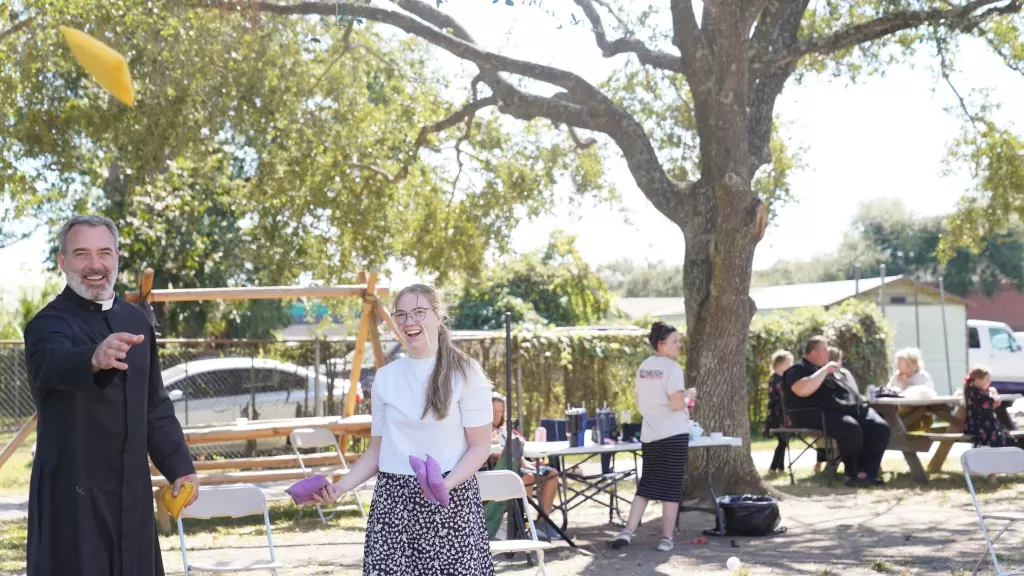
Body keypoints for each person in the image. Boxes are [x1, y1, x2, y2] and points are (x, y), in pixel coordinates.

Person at [23, 215, 198, 576]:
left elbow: (154, 404)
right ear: (63, 262)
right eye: (82, 254)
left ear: (117, 257)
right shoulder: (47, 324)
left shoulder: (136, 322)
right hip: (72, 496)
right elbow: (50, 362)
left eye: (104, 253)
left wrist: (179, 466)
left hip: (131, 491)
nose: (95, 265)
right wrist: (91, 357)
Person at [311, 284, 494, 575]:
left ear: (438, 315)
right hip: (392, 503)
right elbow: (377, 452)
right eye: (402, 314)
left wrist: (443, 486)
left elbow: (480, 447)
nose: (410, 321)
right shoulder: (385, 378)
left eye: (419, 312)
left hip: (449, 500)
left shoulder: (466, 372)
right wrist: (340, 488)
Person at [609, 322, 695, 552]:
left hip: (650, 433)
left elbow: (638, 401)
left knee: (646, 485)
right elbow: (677, 403)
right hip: (673, 432)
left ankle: (628, 531)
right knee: (671, 487)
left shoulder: (644, 367)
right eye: (675, 341)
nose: (679, 345)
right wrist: (688, 396)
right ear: (661, 344)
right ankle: (666, 538)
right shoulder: (673, 369)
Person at [783, 336, 890, 487]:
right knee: (851, 428)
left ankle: (867, 473)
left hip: (846, 409)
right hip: (814, 413)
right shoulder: (797, 370)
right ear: (813, 352)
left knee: (879, 427)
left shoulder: (827, 370)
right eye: (825, 349)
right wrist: (825, 370)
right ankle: (853, 474)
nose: (828, 353)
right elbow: (802, 390)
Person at [489, 392, 561, 539]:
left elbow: (518, 450)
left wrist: (530, 463)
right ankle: (521, 524)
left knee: (552, 474)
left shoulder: (507, 430)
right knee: (527, 477)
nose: (496, 415)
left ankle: (542, 524)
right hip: (501, 472)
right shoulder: (482, 431)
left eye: (500, 411)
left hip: (519, 466)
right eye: (493, 411)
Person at [764, 350, 793, 474]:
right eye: (788, 363)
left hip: (781, 415)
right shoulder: (776, 379)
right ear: (780, 364)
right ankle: (773, 467)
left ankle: (780, 467)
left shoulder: (781, 379)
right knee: (782, 442)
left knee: (784, 441)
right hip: (776, 416)